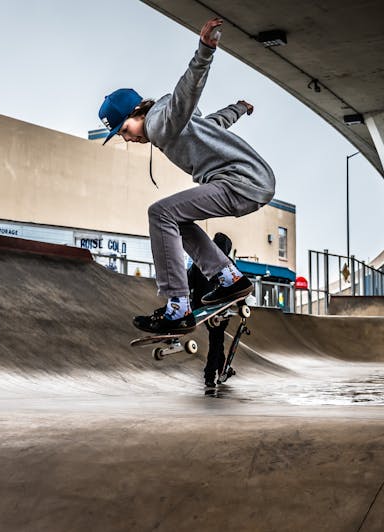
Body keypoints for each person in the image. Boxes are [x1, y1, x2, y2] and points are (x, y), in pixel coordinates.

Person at [97, 17, 275, 335]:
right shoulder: (175, 124)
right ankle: (229, 279)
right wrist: (239, 107)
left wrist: (205, 49)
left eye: (124, 130)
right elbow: (215, 125)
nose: (127, 139)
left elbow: (186, 92)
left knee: (160, 212)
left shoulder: (158, 123)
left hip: (239, 182)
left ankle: (178, 306)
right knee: (176, 220)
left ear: (136, 113)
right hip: (249, 180)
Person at [189, 232, 235, 387]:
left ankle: (223, 370)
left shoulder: (199, 261)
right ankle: (209, 375)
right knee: (216, 340)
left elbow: (188, 282)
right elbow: (239, 286)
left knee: (217, 339)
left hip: (200, 308)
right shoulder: (228, 263)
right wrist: (243, 307)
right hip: (217, 308)